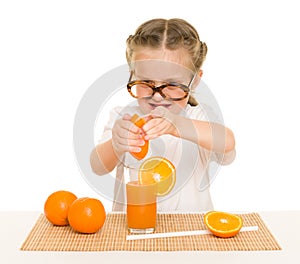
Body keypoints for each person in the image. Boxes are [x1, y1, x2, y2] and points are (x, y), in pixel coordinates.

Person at [90, 18, 236, 211]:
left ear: (194, 81)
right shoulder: (124, 117)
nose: (157, 97)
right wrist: (116, 144)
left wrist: (177, 125)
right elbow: (97, 166)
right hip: (133, 234)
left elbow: (227, 142)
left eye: (173, 85)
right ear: (133, 74)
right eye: (145, 82)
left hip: (193, 234)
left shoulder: (199, 116)